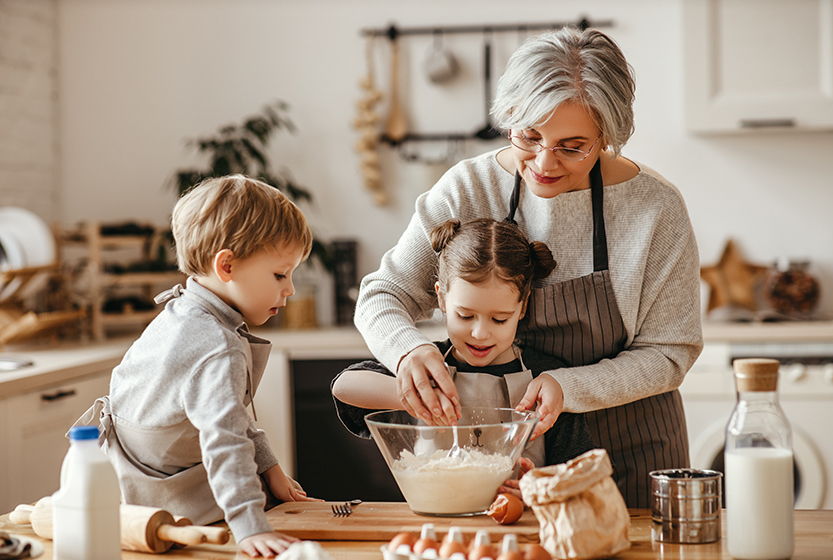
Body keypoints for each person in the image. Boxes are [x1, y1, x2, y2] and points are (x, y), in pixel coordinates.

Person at [353, 28, 702, 508]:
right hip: (500, 465)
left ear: (608, 134)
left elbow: (669, 352)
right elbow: (383, 294)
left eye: (572, 146)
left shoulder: (654, 209)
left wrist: (569, 385)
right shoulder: (468, 187)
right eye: (529, 136)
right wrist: (406, 350)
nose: (543, 162)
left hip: (628, 448)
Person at [74, 175, 318, 558]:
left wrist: (269, 467)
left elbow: (230, 416)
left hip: (128, 495)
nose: (289, 289)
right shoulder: (216, 346)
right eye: (279, 274)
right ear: (227, 266)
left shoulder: (184, 312)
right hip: (175, 511)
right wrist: (250, 527)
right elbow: (225, 441)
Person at [333, 218, 594, 486]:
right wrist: (416, 396)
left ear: (523, 306)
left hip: (525, 523)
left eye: (500, 319)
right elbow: (344, 388)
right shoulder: (427, 365)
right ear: (442, 298)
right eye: (466, 316)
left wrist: (538, 484)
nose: (480, 333)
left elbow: (577, 473)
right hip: (436, 520)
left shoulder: (544, 378)